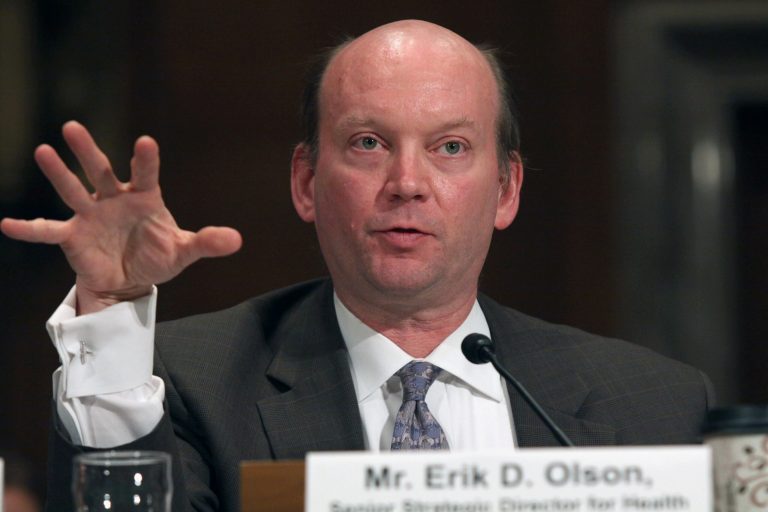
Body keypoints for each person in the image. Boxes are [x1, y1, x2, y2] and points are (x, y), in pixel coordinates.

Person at [1, 20, 712, 512]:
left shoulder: (655, 407)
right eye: (369, 142)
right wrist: (111, 300)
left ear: (506, 190)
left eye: (451, 147)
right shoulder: (196, 387)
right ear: (307, 183)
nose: (407, 181)